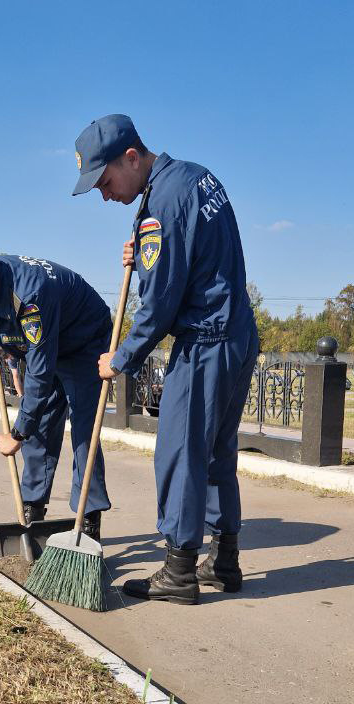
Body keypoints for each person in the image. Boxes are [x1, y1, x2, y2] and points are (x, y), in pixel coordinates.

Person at [73, 114, 259, 604]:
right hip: (239, 333)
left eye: (105, 181)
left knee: (179, 452)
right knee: (217, 451)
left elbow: (159, 306)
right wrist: (150, 251)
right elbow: (194, 252)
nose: (104, 194)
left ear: (131, 157)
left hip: (204, 342)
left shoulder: (161, 206)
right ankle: (224, 561)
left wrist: (122, 358)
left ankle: (178, 572)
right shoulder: (196, 177)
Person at [0, 230, 113, 540]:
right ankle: (33, 509)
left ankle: (89, 519)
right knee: (41, 427)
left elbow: (40, 375)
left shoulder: (30, 296)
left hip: (84, 339)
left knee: (85, 426)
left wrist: (18, 433)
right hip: (50, 337)